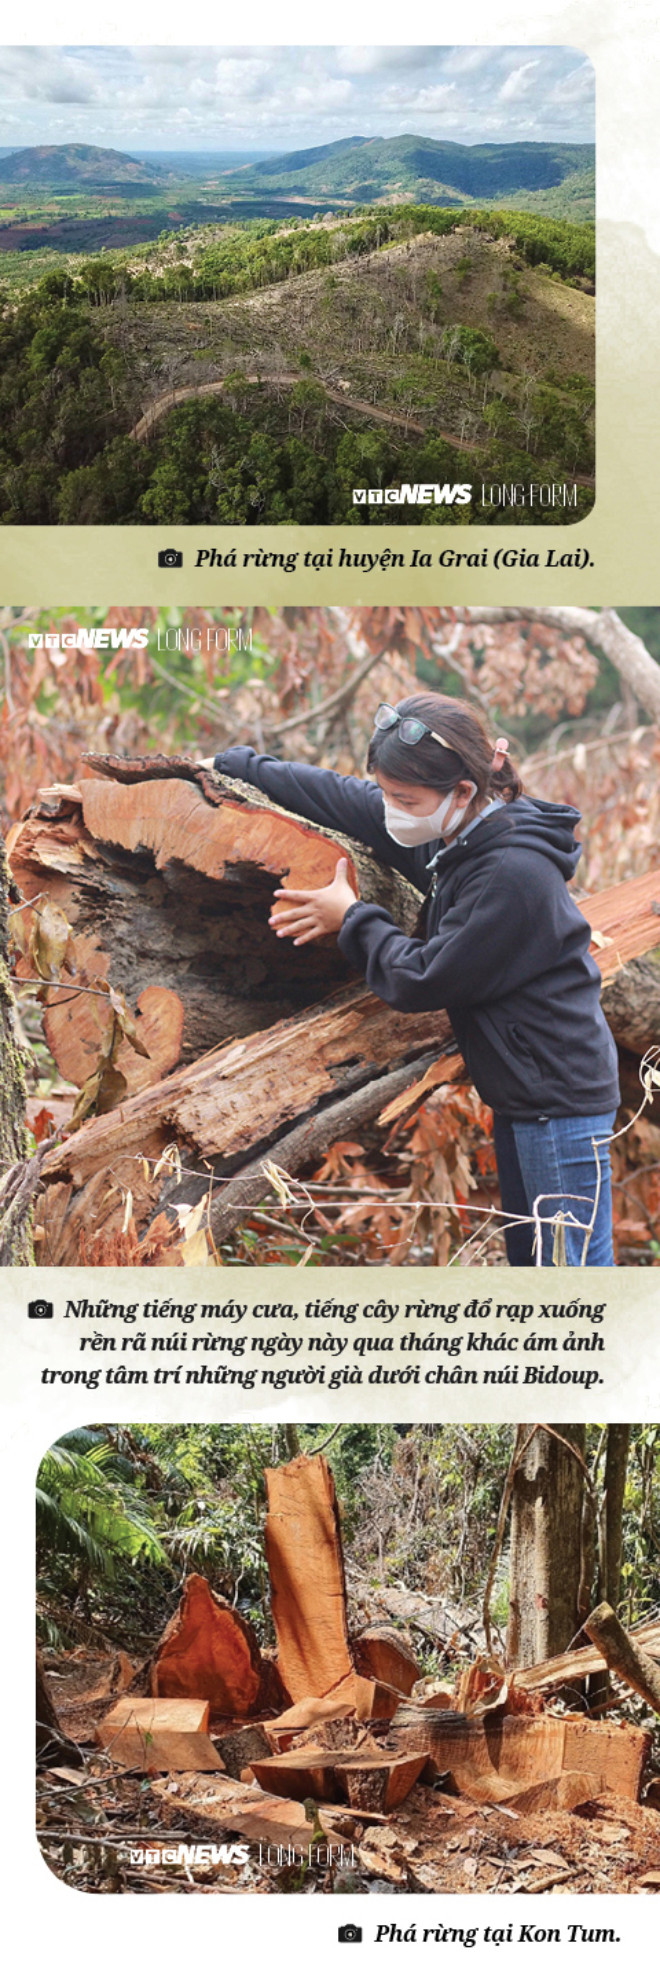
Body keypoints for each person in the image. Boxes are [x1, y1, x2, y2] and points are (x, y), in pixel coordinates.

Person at [210, 693, 620, 1266]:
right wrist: (242, 767)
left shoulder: (510, 872)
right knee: (537, 1264)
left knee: (570, 1275)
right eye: (388, 791)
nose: (391, 808)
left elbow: (425, 979)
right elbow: (350, 801)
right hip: (530, 1095)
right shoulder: (464, 830)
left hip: (558, 1102)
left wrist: (350, 918)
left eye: (404, 798)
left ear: (463, 791)